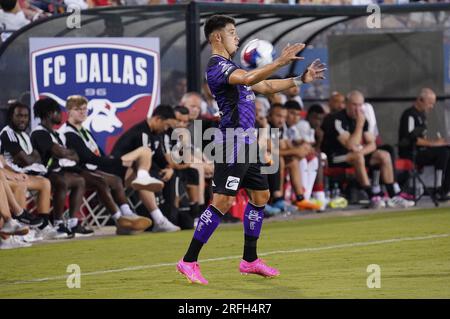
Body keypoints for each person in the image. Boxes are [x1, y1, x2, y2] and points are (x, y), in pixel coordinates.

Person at [176, 14, 326, 285]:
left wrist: (301, 79)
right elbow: (250, 78)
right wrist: (279, 61)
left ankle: (249, 260)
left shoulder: (234, 68)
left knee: (261, 195)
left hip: (247, 142)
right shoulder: (216, 66)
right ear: (217, 37)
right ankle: (188, 261)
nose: (236, 37)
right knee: (223, 201)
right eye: (232, 32)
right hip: (230, 143)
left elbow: (266, 85)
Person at [59, 95, 156, 234]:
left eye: (84, 109)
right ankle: (120, 220)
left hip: (90, 168)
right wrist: (117, 162)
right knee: (102, 181)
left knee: (117, 178)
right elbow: (87, 158)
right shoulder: (68, 132)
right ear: (69, 111)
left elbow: (98, 155)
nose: (82, 112)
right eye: (77, 109)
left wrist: (115, 162)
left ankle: (128, 213)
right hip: (73, 171)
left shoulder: (83, 131)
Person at [321, 90, 414, 209]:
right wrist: (359, 125)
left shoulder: (363, 119)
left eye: (360, 105)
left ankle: (393, 195)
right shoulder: (338, 119)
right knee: (358, 157)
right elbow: (350, 145)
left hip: (354, 154)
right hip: (336, 157)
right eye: (354, 105)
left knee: (384, 155)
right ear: (347, 104)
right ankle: (372, 196)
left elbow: (372, 144)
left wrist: (360, 151)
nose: (358, 108)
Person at [110, 104, 182, 232]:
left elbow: (159, 157)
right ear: (157, 119)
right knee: (143, 177)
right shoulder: (141, 133)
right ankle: (159, 220)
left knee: (161, 176)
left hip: (133, 173)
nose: (166, 129)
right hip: (116, 173)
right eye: (166, 125)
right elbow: (145, 159)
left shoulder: (155, 133)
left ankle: (168, 214)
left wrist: (168, 168)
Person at [0, 101, 58, 239]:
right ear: (10, 116)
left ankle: (42, 225)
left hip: (17, 173)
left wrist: (28, 160)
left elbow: (34, 157)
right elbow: (24, 159)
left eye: (25, 116)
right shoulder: (7, 133)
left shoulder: (25, 135)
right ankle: (20, 225)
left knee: (45, 183)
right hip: (14, 174)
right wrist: (17, 171)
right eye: (19, 116)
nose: (23, 119)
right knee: (21, 185)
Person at [31, 98, 88, 238]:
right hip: (40, 172)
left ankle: (72, 222)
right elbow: (58, 152)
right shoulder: (38, 132)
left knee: (79, 180)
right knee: (61, 181)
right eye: (58, 112)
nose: (61, 115)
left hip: (56, 170)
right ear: (50, 113)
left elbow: (75, 155)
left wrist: (65, 153)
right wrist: (65, 153)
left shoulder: (57, 134)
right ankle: (58, 223)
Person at [398, 88, 450, 201]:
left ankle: (445, 189)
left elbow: (423, 138)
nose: (431, 107)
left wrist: (439, 142)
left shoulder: (423, 116)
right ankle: (438, 187)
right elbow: (412, 139)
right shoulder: (409, 115)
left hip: (422, 151)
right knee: (443, 153)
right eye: (430, 103)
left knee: (447, 149)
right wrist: (433, 144)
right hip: (411, 153)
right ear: (420, 100)